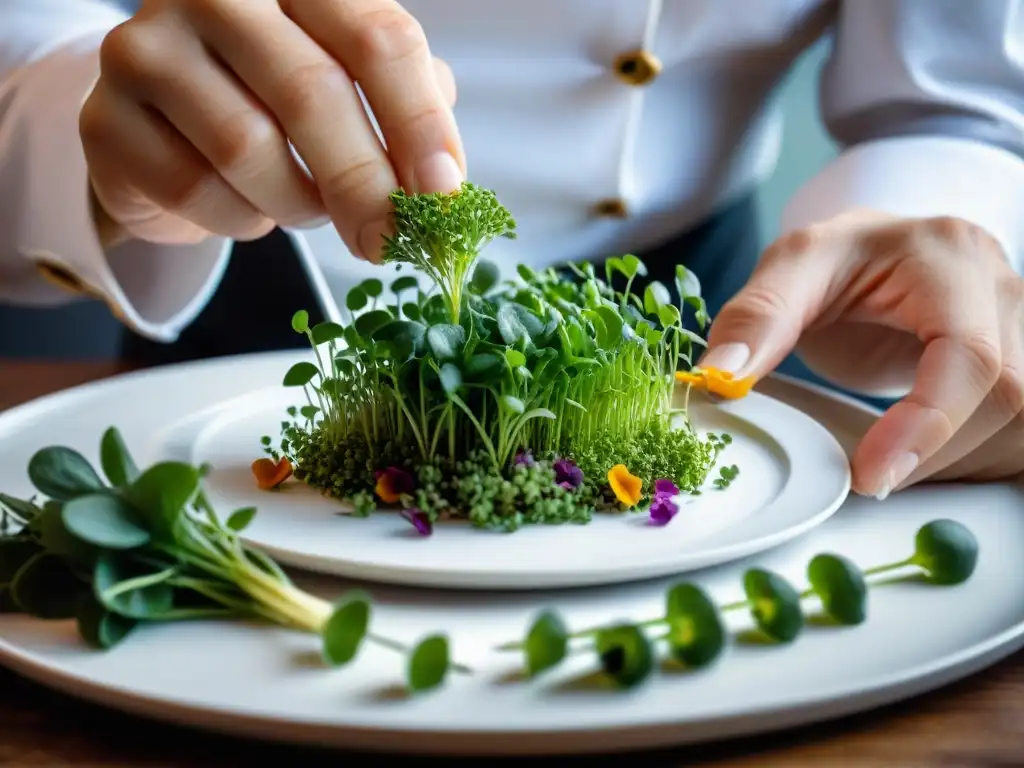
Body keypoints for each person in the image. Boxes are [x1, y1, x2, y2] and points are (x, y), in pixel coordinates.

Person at [1, 0, 1022, 502]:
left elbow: (955, 93)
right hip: (227, 290)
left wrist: (935, 202)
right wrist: (73, 103)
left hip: (709, 326)